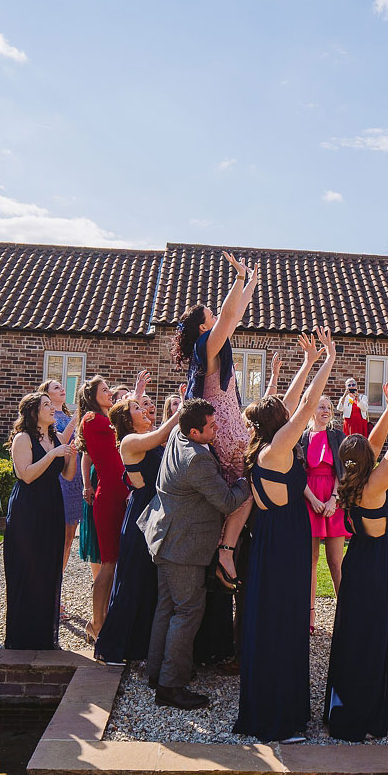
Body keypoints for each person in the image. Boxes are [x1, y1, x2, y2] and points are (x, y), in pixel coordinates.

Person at [234, 326, 337, 742]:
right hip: (284, 548)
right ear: (280, 424)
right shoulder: (277, 451)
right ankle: (276, 720)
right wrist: (328, 359)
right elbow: (308, 403)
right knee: (281, 625)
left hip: (273, 545)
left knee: (274, 624)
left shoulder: (263, 445)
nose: (292, 413)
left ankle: (274, 710)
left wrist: (308, 362)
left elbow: (293, 401)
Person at [141, 398, 251, 709]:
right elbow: (228, 501)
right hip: (184, 547)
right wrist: (245, 479)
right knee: (186, 613)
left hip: (165, 536)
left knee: (167, 608)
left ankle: (156, 673)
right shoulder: (197, 459)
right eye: (213, 426)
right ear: (194, 430)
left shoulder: (178, 434)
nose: (218, 428)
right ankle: (170, 687)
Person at [324, 380, 388, 741]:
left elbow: (374, 445)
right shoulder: (374, 487)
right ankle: (365, 712)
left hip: (356, 565)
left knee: (352, 638)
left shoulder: (350, 477)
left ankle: (342, 706)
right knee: (373, 639)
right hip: (378, 570)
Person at [174, 251, 261, 590]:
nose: (216, 314)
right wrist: (238, 279)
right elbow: (229, 313)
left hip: (226, 424)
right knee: (245, 491)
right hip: (224, 428)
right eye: (210, 314)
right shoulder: (206, 345)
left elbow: (234, 313)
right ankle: (225, 551)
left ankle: (222, 549)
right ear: (203, 325)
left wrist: (251, 281)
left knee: (235, 492)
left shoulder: (214, 342)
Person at [96, 397, 179, 664]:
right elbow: (164, 432)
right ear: (126, 420)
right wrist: (185, 405)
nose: (143, 410)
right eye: (136, 409)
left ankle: (138, 648)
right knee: (131, 582)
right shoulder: (131, 442)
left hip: (156, 512)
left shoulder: (146, 438)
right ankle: (111, 648)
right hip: (141, 518)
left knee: (147, 583)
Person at [4, 392, 78, 649]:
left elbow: (67, 476)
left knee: (48, 565)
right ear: (33, 411)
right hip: (28, 506)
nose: (51, 408)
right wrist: (51, 455)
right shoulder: (23, 438)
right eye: (45, 405)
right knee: (27, 566)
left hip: (51, 504)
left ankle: (44, 634)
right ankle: (22, 635)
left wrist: (72, 454)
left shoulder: (56, 437)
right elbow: (25, 475)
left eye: (50, 404)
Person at [74, 375, 127, 641]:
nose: (109, 393)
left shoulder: (105, 419)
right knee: (108, 562)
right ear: (92, 396)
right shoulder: (94, 420)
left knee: (115, 561)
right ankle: (97, 623)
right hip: (108, 496)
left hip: (120, 493)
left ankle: (105, 619)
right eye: (104, 390)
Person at [299, 393, 348, 635]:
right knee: (310, 561)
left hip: (332, 500)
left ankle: (347, 612)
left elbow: (344, 470)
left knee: (336, 560)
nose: (326, 411)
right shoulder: (301, 437)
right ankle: (310, 615)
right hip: (309, 499)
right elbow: (297, 473)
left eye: (328, 407)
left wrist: (333, 499)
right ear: (311, 411)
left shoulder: (338, 436)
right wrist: (313, 499)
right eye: (321, 407)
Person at [38, 378, 84, 616]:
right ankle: (49, 594)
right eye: (56, 387)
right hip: (60, 481)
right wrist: (77, 416)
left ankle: (57, 589)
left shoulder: (66, 415)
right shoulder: (48, 418)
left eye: (61, 386)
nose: (62, 389)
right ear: (45, 394)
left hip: (74, 478)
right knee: (57, 538)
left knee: (68, 538)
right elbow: (61, 441)